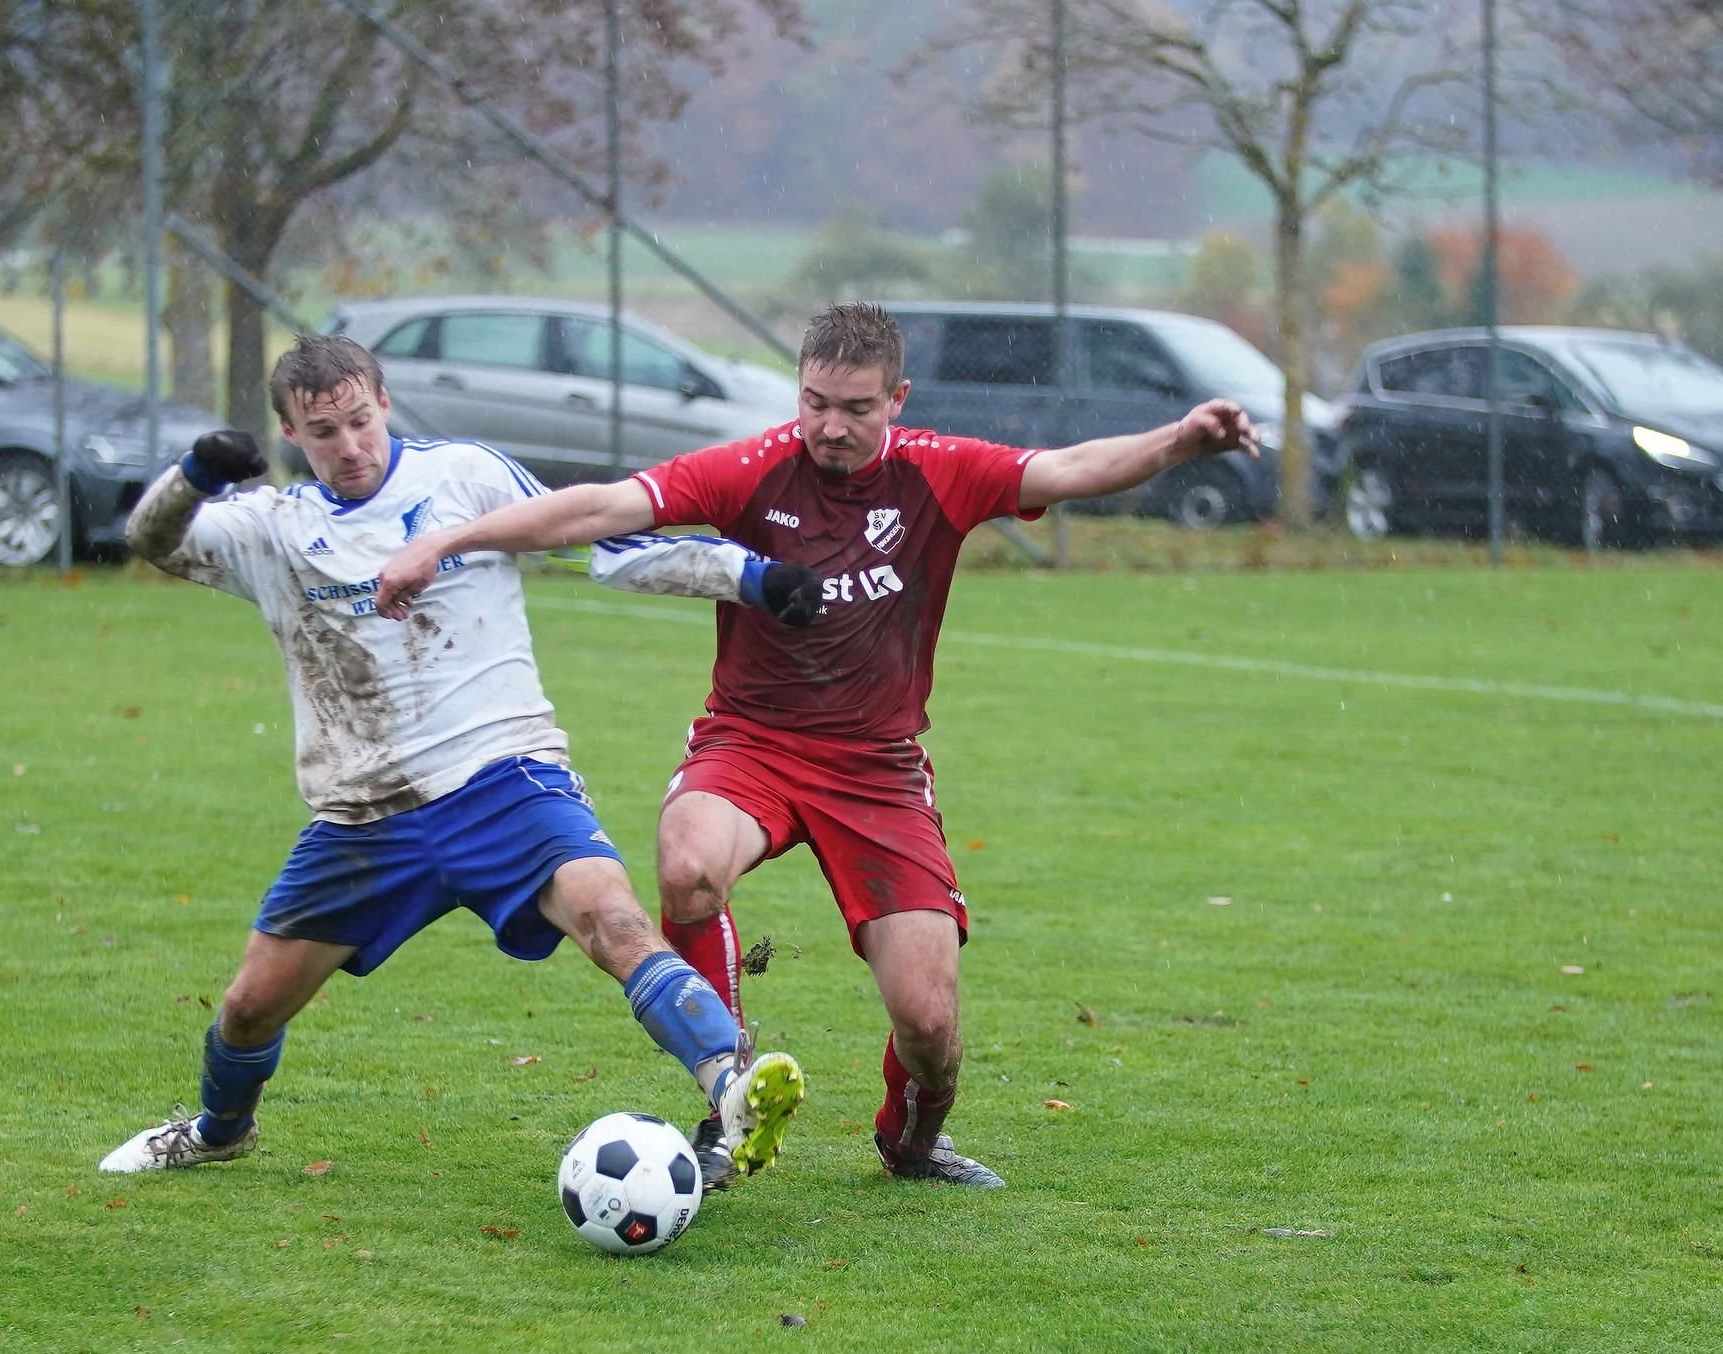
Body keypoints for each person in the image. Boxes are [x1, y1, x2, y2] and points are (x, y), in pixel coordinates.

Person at [375, 302, 1258, 1190]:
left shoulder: (939, 472)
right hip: (750, 744)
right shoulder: (753, 469)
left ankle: (912, 1143)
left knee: (927, 1024)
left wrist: (1180, 440)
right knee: (685, 867)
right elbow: (606, 507)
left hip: (878, 772)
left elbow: (1069, 468)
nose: (830, 426)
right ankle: (729, 1089)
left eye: (856, 408)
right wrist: (453, 538)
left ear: (897, 400)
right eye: (815, 402)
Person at [98, 333, 818, 1178]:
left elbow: (608, 546)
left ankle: (732, 1085)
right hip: (364, 816)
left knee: (615, 921)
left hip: (503, 781)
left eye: (361, 420)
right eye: (324, 431)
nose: (351, 445)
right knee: (251, 1007)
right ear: (292, 433)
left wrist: (754, 579)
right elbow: (151, 538)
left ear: (386, 403)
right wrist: (198, 473)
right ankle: (219, 1133)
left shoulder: (464, 477)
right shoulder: (274, 528)